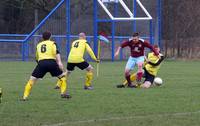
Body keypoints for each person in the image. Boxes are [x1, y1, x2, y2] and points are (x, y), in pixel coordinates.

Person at [21, 31, 70, 101]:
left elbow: (37, 57)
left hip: (41, 63)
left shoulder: (38, 45)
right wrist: (59, 62)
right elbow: (56, 53)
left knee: (32, 80)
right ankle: (63, 93)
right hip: (51, 62)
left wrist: (40, 64)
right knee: (62, 77)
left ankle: (24, 97)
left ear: (42, 37)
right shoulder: (53, 43)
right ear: (50, 37)